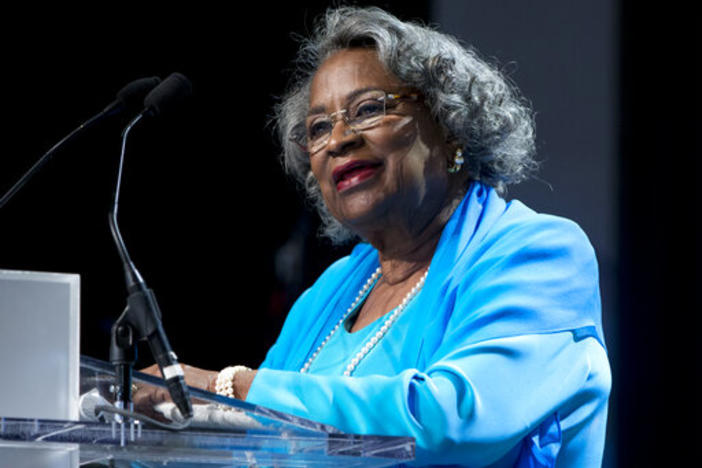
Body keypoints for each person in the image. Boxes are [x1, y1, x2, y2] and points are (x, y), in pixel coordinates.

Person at [137, 6, 611, 467]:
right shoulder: (331, 292)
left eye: (367, 109)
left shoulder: (539, 254)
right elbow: (261, 451)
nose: (338, 139)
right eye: (319, 127)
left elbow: (448, 422)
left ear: (452, 127)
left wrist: (229, 387)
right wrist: (151, 431)